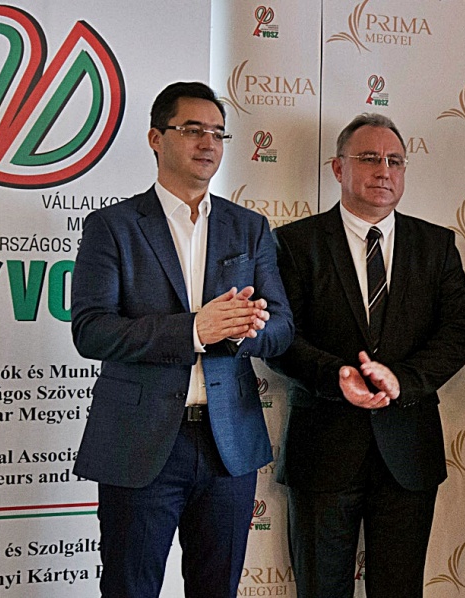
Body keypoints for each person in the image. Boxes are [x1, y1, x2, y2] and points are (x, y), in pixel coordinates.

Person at [70, 81, 293, 597]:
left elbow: (282, 326)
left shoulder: (249, 228)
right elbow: (91, 329)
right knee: (130, 588)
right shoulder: (113, 226)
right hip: (139, 443)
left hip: (227, 444)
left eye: (217, 133)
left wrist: (243, 330)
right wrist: (194, 329)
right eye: (192, 129)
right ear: (156, 138)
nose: (208, 143)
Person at [269, 113, 465, 598]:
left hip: (408, 452)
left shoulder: (436, 244)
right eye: (369, 158)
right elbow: (280, 337)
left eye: (395, 161)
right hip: (322, 451)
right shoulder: (295, 243)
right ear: (338, 168)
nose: (384, 170)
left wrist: (403, 380)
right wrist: (337, 375)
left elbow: (458, 333)